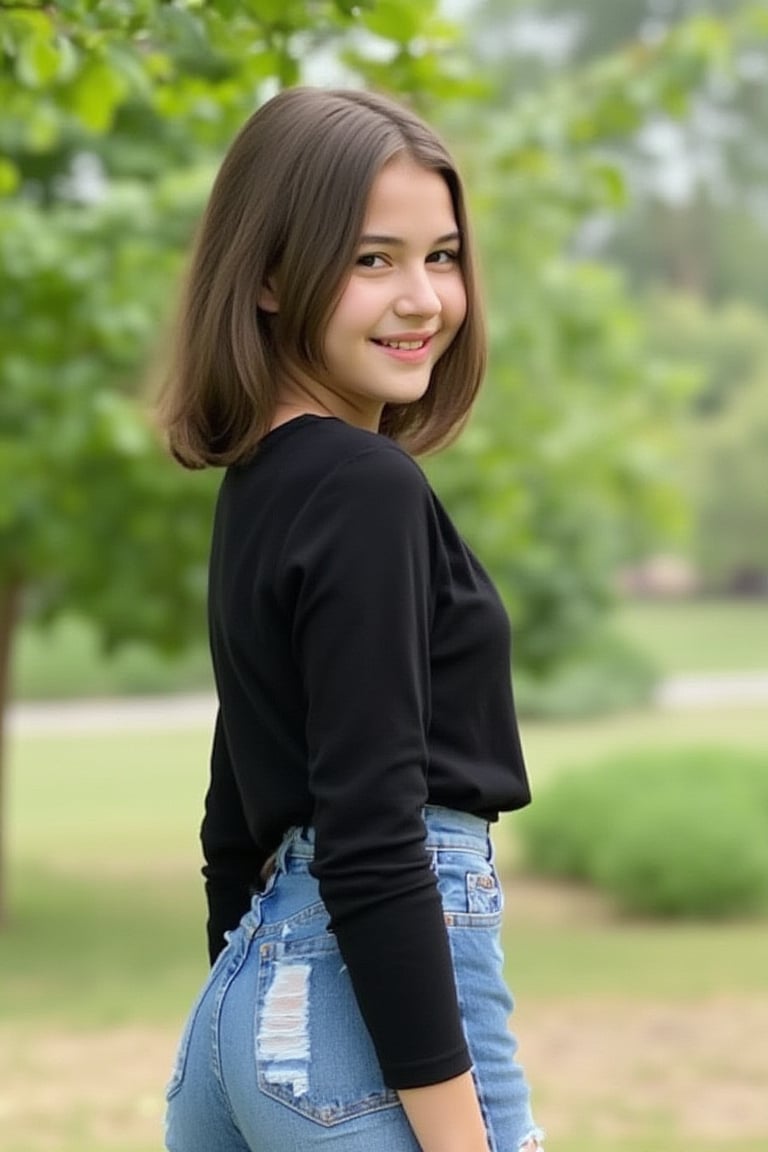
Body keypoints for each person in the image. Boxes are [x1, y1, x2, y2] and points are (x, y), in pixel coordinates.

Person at [159, 86, 544, 1152]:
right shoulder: (366, 487)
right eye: (373, 260)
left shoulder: (263, 487)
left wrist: (261, 1027)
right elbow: (375, 834)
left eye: (443, 256)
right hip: (361, 1015)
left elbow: (230, 816)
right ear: (273, 275)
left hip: (245, 1010)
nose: (422, 298)